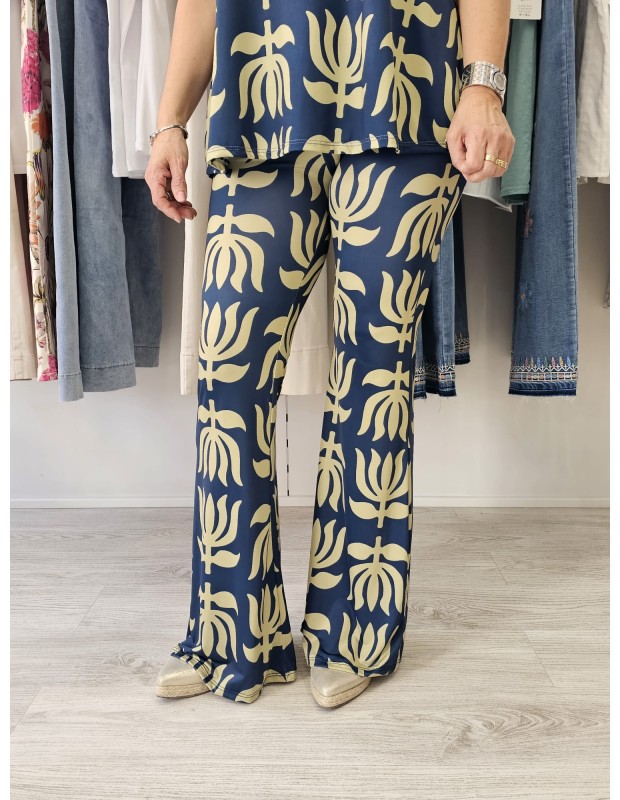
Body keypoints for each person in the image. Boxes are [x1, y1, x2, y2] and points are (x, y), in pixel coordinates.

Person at [146, 0, 514, 708]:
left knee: (372, 372)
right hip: (261, 105)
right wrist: (170, 120)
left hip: (404, 95)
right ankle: (231, 634)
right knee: (227, 363)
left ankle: (355, 632)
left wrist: (483, 85)